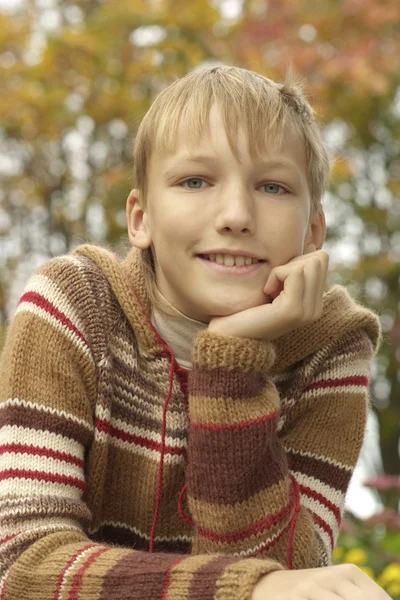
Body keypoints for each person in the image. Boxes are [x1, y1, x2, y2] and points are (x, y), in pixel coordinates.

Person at [0, 65, 390, 600]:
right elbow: (23, 565)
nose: (235, 215)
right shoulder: (74, 306)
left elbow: (292, 571)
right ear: (141, 220)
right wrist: (243, 591)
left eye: (272, 186)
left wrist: (231, 365)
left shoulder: (331, 348)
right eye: (195, 181)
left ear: (313, 232)